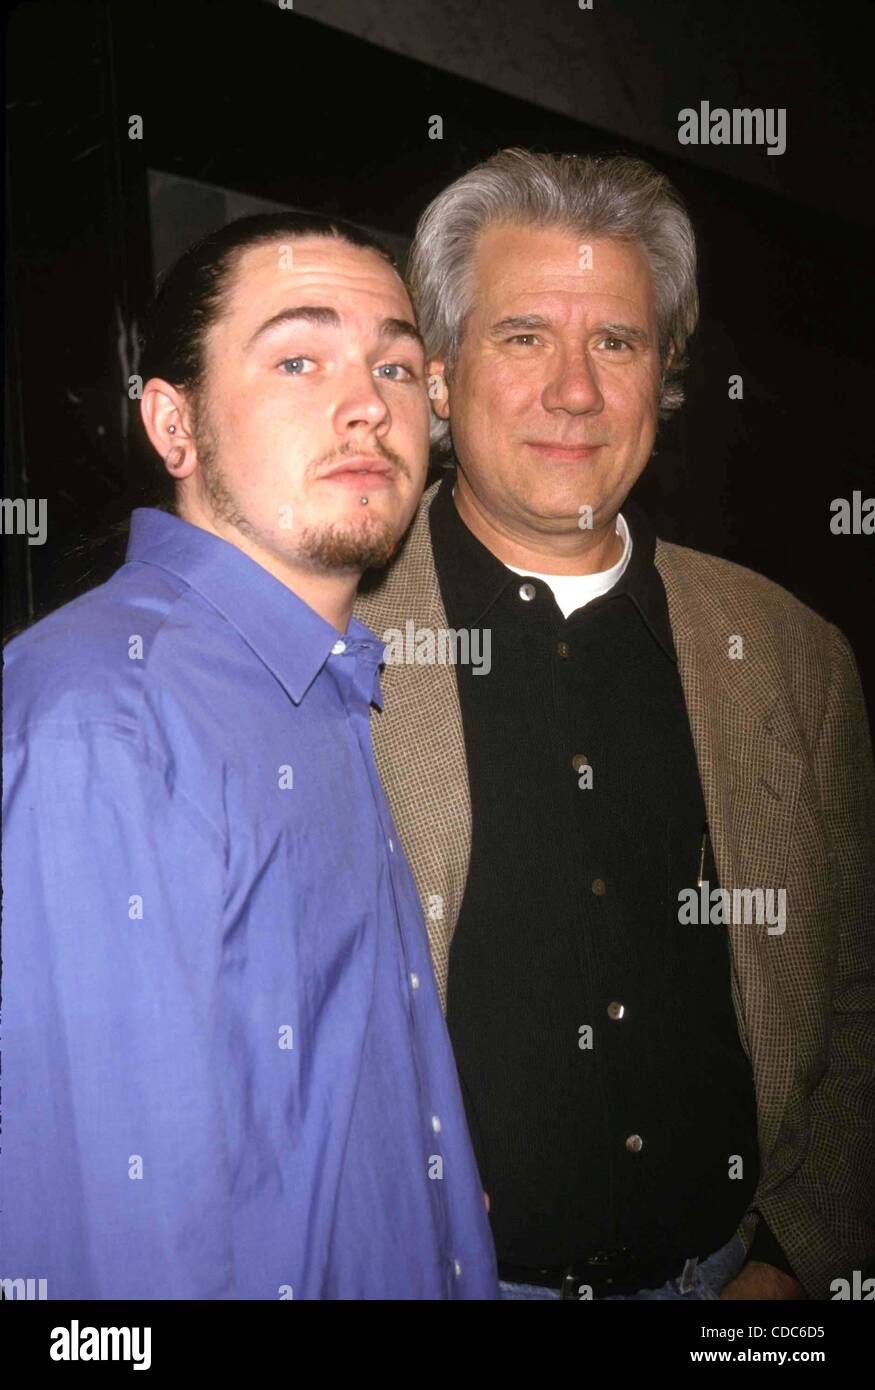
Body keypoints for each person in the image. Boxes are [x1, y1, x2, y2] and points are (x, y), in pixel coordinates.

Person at [354, 150, 875, 1301]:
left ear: (666, 374)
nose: (575, 393)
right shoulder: (325, 650)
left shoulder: (793, 657)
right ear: (437, 377)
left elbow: (852, 994)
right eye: (524, 336)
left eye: (617, 343)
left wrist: (799, 1255)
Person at [1, 212, 498, 1300]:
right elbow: (107, 1253)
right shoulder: (108, 716)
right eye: (298, 357)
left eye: (397, 365)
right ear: (173, 426)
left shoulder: (327, 680)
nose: (368, 402)